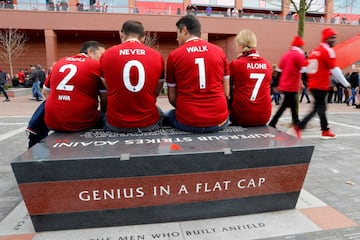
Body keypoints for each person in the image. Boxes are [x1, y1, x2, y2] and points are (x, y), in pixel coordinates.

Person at [165, 15, 230, 133]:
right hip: (218, 120)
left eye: (177, 34)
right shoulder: (219, 51)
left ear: (184, 30)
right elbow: (226, 92)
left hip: (188, 121)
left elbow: (172, 98)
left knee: (166, 114)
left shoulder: (174, 55)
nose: (176, 38)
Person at [100, 20, 165, 133]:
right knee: (161, 113)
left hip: (116, 123)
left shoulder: (107, 55)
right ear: (143, 38)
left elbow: (108, 87)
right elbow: (156, 91)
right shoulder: (156, 56)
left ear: (121, 34)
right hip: (148, 123)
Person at [290, 28, 350, 139]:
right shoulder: (328, 51)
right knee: (318, 107)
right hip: (321, 85)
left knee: (321, 107)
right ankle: (299, 127)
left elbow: (305, 68)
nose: (334, 40)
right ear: (326, 38)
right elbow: (334, 69)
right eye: (332, 38)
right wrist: (346, 83)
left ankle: (325, 130)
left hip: (313, 84)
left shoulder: (314, 51)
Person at [229, 29, 272, 126]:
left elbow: (226, 90)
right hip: (264, 117)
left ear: (242, 46)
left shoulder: (236, 64)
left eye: (237, 45)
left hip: (241, 116)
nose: (236, 48)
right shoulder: (267, 65)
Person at [269, 36, 306, 129]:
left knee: (292, 104)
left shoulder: (286, 55)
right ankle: (273, 122)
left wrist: (276, 84)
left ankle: (297, 122)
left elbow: (278, 70)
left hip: (285, 84)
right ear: (300, 46)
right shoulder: (298, 55)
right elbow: (304, 68)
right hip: (292, 85)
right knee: (285, 105)